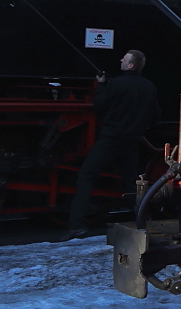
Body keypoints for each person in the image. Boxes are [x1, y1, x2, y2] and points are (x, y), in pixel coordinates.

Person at [67, 49, 160, 238]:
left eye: (124, 59)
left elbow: (99, 106)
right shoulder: (149, 86)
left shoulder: (116, 84)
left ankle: (77, 225)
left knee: (87, 175)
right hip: (132, 140)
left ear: (131, 65)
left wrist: (101, 86)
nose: (121, 60)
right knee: (131, 183)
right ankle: (144, 220)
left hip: (111, 138)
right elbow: (155, 116)